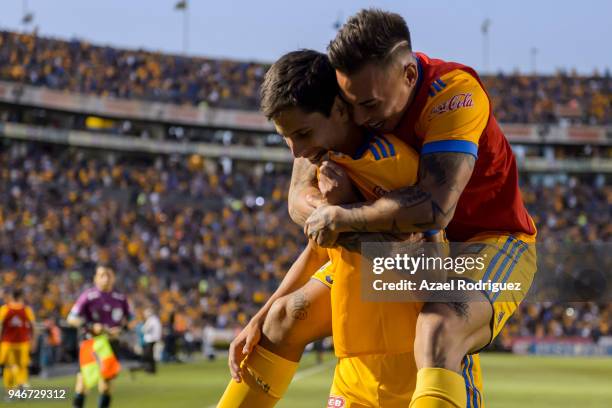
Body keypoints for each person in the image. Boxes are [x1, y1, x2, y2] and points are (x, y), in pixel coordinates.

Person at [290, 9, 537, 408]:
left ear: (408, 74)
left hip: (487, 241)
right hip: (401, 245)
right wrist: (324, 210)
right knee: (287, 317)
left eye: (370, 104)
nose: (363, 119)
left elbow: (434, 207)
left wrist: (344, 218)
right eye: (352, 107)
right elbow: (299, 189)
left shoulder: (454, 95)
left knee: (441, 325)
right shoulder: (351, 94)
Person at [217, 49, 481, 408]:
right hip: (356, 368)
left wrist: (349, 214)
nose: (296, 150)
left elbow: (433, 273)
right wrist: (259, 318)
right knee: (277, 320)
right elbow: (317, 248)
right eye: (286, 138)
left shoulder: (396, 165)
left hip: (418, 370)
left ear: (340, 110)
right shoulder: (331, 164)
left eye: (303, 133)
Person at [67, 265, 132, 408]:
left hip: (110, 344)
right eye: (102, 275)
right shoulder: (88, 296)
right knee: (83, 383)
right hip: (91, 344)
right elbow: (71, 318)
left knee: (106, 385)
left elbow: (131, 319)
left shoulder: (121, 298)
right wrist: (91, 326)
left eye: (109, 275)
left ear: (113, 278)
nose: (106, 278)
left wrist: (121, 329)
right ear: (96, 278)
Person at [0, 288, 35, 392]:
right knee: (22, 366)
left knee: (8, 366)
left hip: (7, 342)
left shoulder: (5, 309)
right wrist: (33, 340)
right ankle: (21, 383)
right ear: (21, 297)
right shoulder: (26, 309)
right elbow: (32, 326)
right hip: (23, 342)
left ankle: (10, 389)